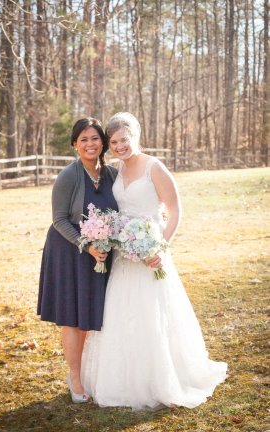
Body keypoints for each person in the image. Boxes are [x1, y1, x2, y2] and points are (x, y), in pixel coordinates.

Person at [81, 112, 227, 410]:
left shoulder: (154, 167)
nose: (120, 146)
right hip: (124, 256)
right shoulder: (115, 171)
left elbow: (175, 211)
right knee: (123, 315)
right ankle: (122, 380)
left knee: (156, 314)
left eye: (125, 140)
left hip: (152, 255)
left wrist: (160, 248)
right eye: (114, 142)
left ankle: (165, 380)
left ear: (136, 137)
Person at [37, 118, 118, 403]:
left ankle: (91, 373)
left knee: (89, 315)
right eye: (83, 139)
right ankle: (75, 378)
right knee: (72, 317)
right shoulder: (69, 175)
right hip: (68, 251)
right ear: (75, 144)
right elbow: (59, 219)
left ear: (103, 143)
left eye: (95, 138)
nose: (90, 144)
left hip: (101, 253)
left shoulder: (111, 174)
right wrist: (87, 244)